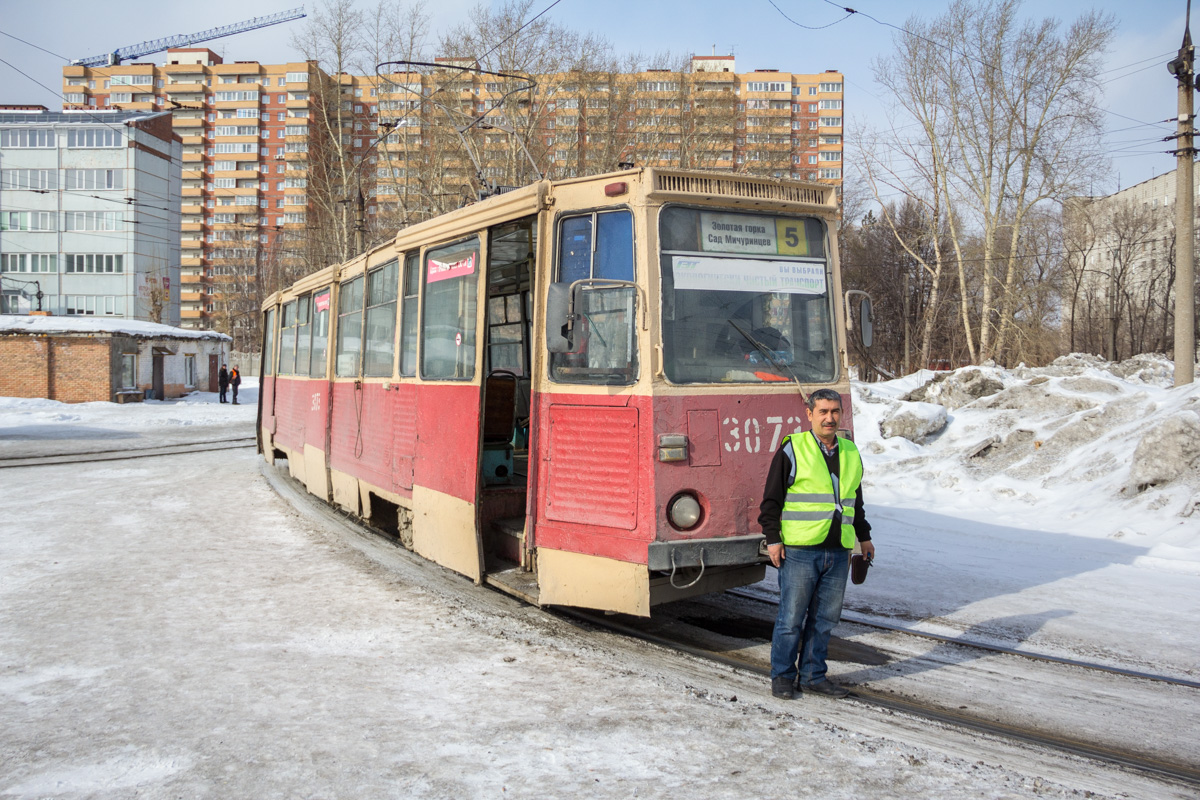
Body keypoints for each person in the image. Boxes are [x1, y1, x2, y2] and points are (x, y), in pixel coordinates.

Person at [760, 387, 875, 700]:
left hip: (837, 550)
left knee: (825, 620)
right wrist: (773, 539)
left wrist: (864, 538)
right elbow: (771, 501)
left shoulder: (850, 451)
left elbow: (855, 501)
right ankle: (782, 678)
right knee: (790, 619)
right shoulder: (793, 448)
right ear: (809, 414)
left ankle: (813, 676)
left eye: (835, 411)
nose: (830, 418)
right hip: (799, 550)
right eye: (822, 412)